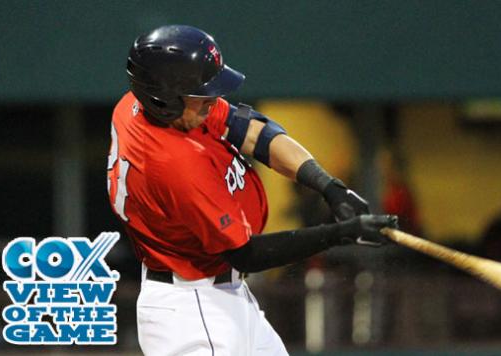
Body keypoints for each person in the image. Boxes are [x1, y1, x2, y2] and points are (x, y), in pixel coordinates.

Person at [107, 25, 397, 356]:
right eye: (202, 95)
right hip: (190, 308)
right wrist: (340, 233)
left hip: (222, 293)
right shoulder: (175, 165)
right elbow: (246, 253)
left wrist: (330, 188)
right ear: (164, 101)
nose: (212, 102)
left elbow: (253, 132)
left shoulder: (145, 105)